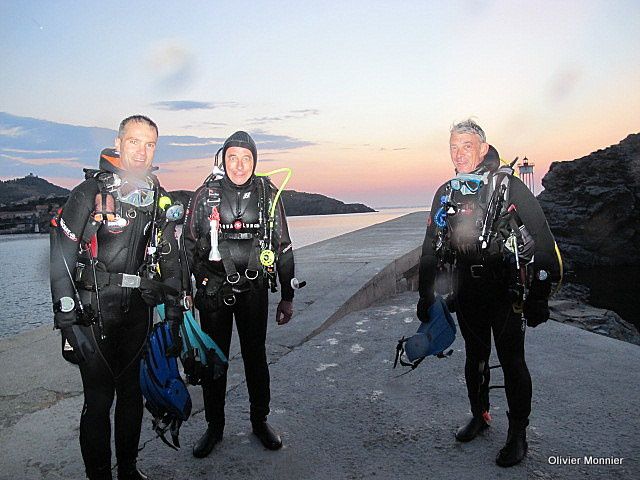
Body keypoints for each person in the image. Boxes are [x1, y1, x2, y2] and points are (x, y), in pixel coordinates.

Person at [417, 119, 560, 467]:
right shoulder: (446, 192)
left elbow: (542, 241)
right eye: (453, 146)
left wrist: (539, 297)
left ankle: (517, 434)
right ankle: (480, 416)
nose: (459, 153)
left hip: (504, 290)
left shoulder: (509, 187)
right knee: (474, 359)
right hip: (466, 290)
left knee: (512, 362)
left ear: (483, 148)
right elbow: (430, 249)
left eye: (466, 145)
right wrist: (426, 294)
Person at [50, 115, 183, 480]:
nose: (142, 151)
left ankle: (127, 469)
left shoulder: (155, 193)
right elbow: (60, 256)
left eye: (150, 144)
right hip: (94, 315)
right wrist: (66, 321)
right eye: (135, 142)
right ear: (120, 142)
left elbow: (169, 254)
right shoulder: (89, 192)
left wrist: (173, 310)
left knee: (131, 397)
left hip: (136, 314)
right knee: (98, 403)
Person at [184, 131, 295, 458]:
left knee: (255, 358)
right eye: (233, 157)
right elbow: (187, 247)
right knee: (214, 362)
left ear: (255, 161)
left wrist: (287, 295)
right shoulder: (205, 196)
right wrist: (190, 287)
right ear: (223, 159)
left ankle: (260, 421)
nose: (239, 165)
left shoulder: (267, 194)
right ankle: (214, 427)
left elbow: (284, 247)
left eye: (246, 158)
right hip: (213, 292)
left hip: (254, 291)